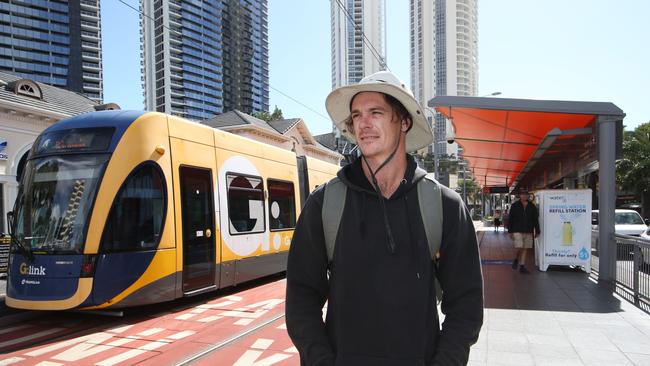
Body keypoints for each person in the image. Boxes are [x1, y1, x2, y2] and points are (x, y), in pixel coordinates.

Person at [285, 71, 484, 366]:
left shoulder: (444, 206)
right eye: (356, 115)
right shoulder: (324, 204)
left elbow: (466, 306)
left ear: (404, 121)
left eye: (375, 112)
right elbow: (301, 300)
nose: (363, 123)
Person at [507, 188, 540, 273]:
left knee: (525, 248)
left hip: (528, 230)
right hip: (517, 230)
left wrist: (537, 230)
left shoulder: (532, 206)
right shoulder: (515, 205)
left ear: (528, 196)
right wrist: (510, 231)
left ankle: (522, 266)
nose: (524, 196)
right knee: (519, 246)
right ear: (520, 195)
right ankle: (516, 259)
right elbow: (510, 219)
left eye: (526, 194)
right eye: (522, 194)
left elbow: (535, 219)